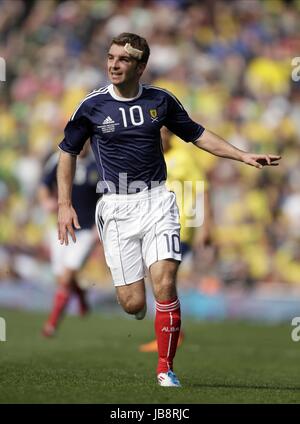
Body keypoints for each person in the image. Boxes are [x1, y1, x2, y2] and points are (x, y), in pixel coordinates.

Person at [56, 33, 281, 387]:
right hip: (116, 206)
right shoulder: (91, 106)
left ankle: (165, 368)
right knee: (132, 303)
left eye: (123, 60)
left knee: (165, 282)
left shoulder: (161, 101)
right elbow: (67, 152)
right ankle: (140, 307)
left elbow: (198, 134)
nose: (113, 64)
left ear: (140, 66)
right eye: (110, 57)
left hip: (158, 200)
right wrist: (64, 204)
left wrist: (242, 154)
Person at [139, 127, 213, 352]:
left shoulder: (183, 158)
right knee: (159, 281)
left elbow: (202, 189)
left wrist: (206, 225)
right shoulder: (148, 156)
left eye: (162, 132)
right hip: (152, 225)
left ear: (169, 134)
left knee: (162, 278)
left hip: (179, 226)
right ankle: (171, 332)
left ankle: (170, 335)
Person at [39, 143, 99, 337]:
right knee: (62, 277)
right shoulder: (60, 158)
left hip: (86, 230)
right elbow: (44, 184)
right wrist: (45, 200)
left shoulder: (98, 162)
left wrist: (100, 226)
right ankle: (81, 297)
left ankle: (51, 324)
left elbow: (107, 194)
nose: (81, 146)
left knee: (66, 277)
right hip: (61, 226)